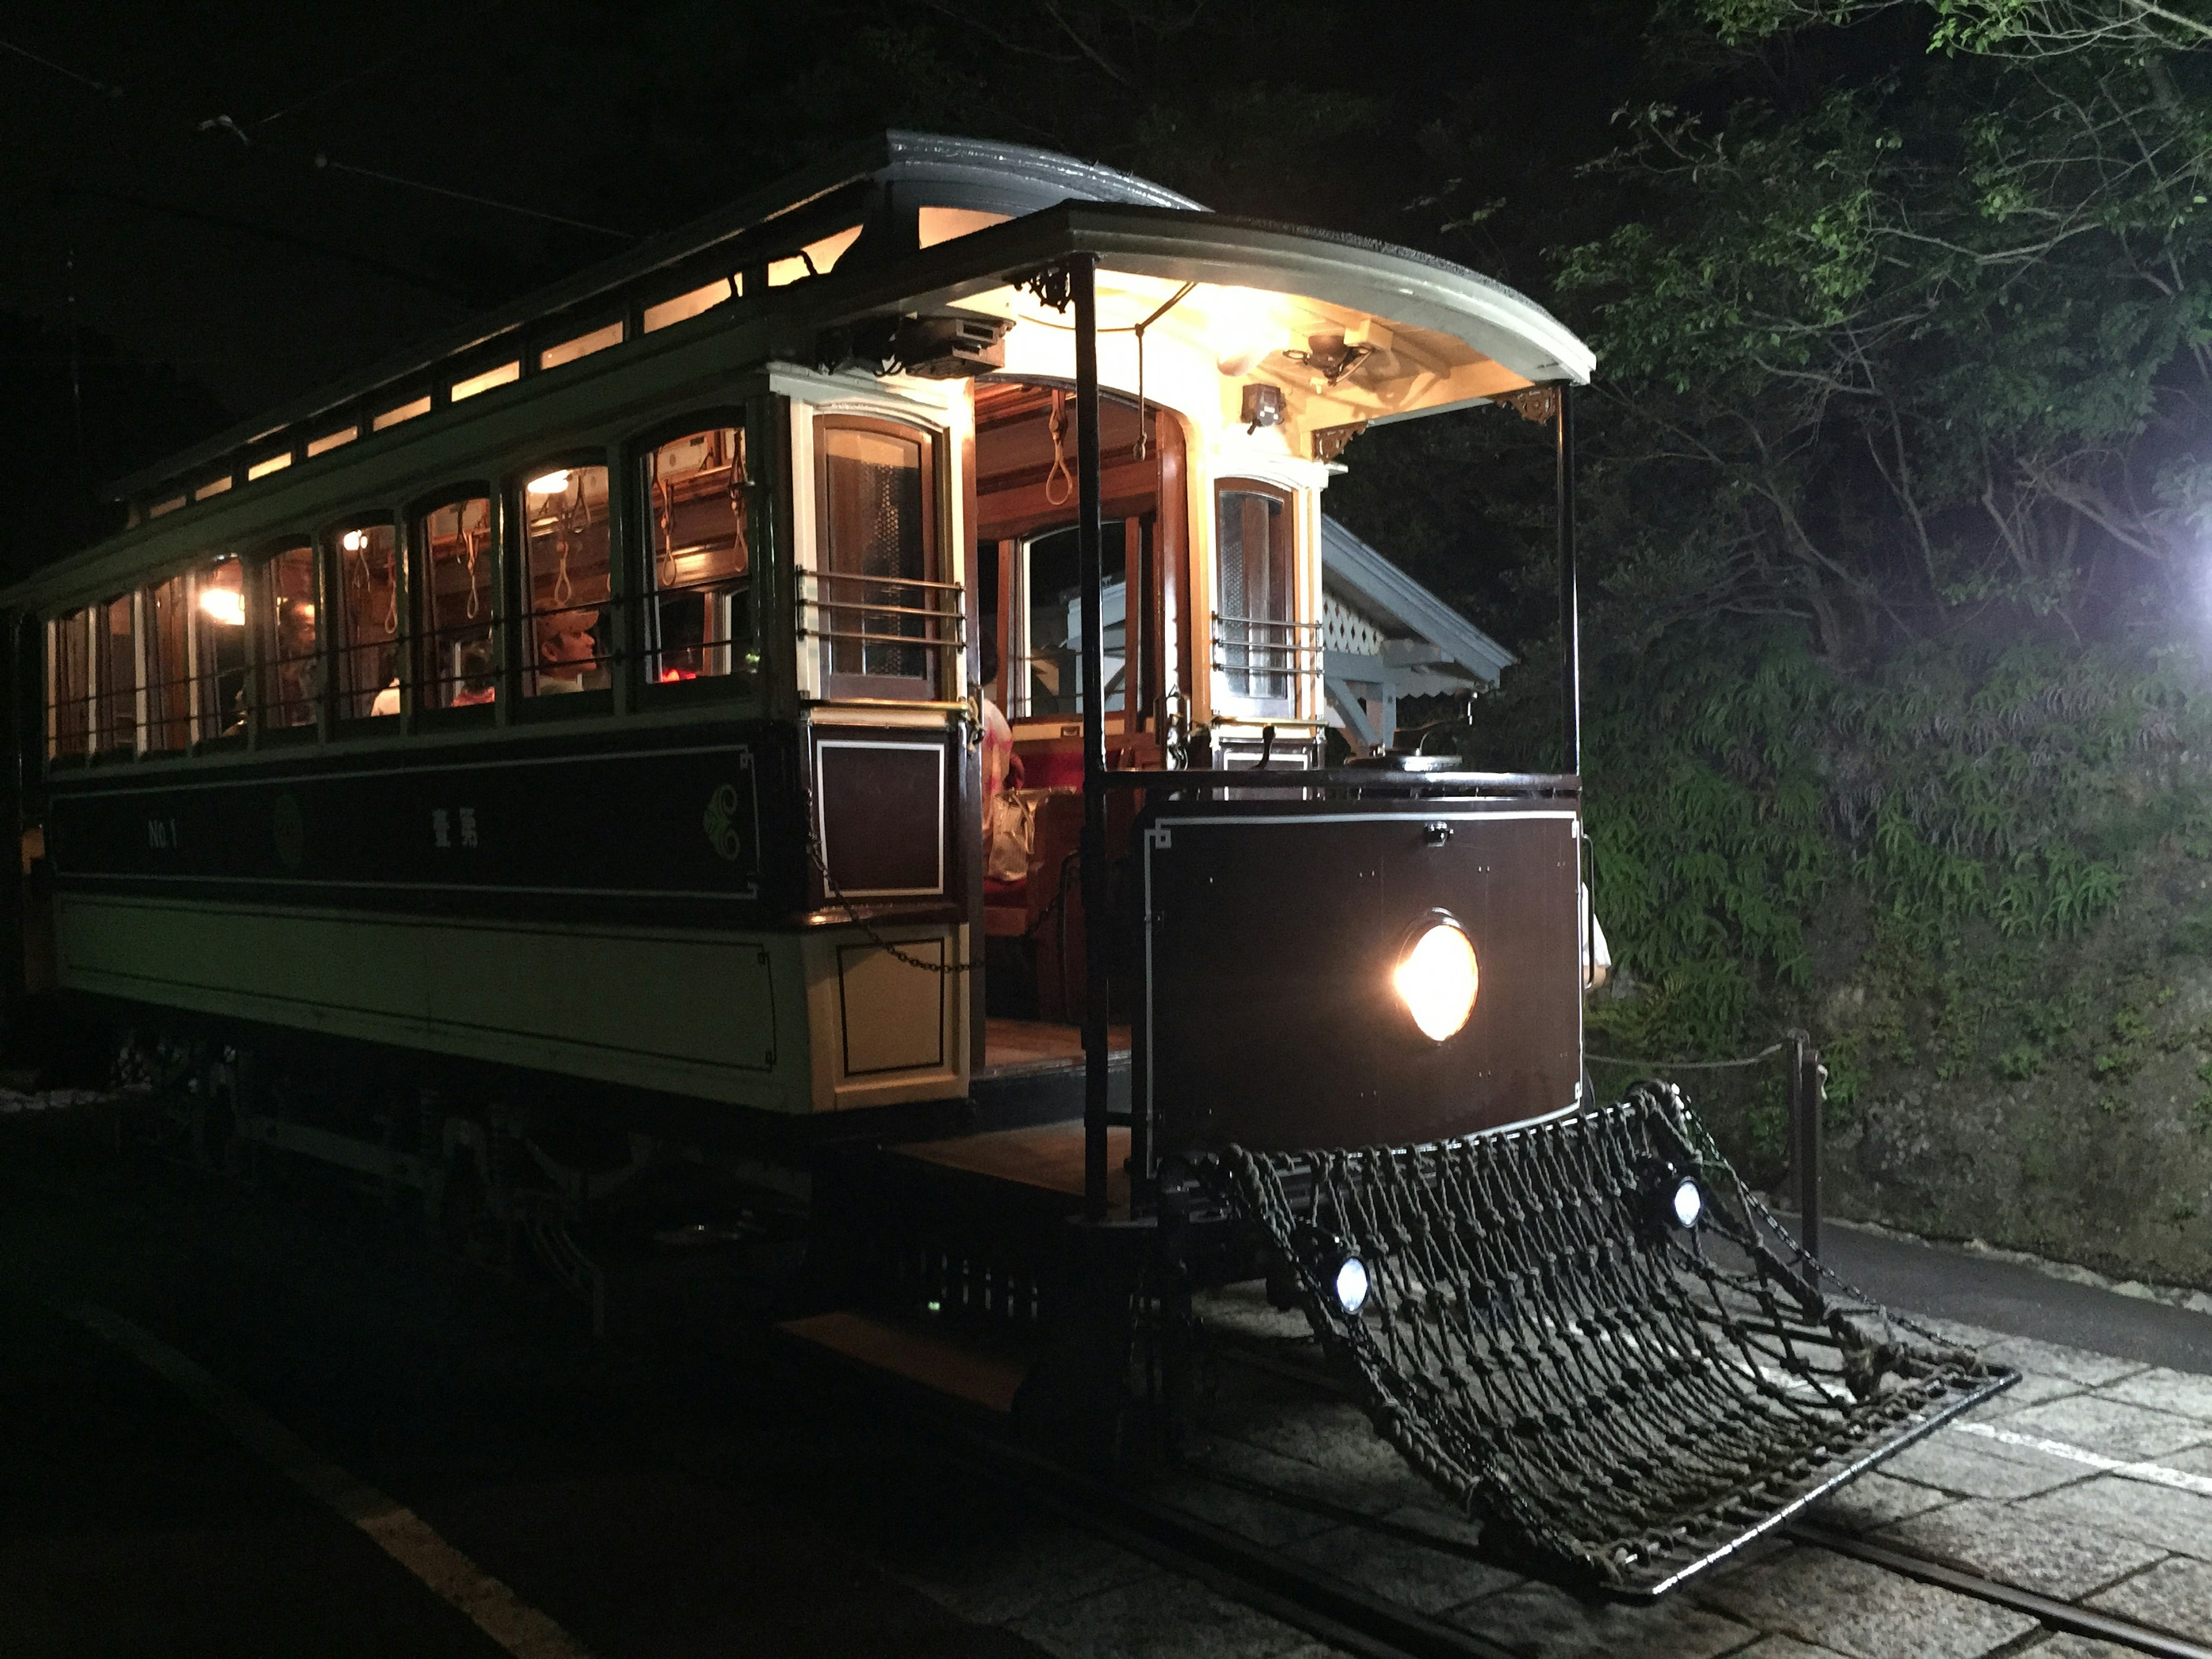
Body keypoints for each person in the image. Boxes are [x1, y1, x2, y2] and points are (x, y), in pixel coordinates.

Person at [536, 607, 607, 694]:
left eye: (585, 633)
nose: (591, 641)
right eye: (577, 635)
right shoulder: (563, 690)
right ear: (550, 652)